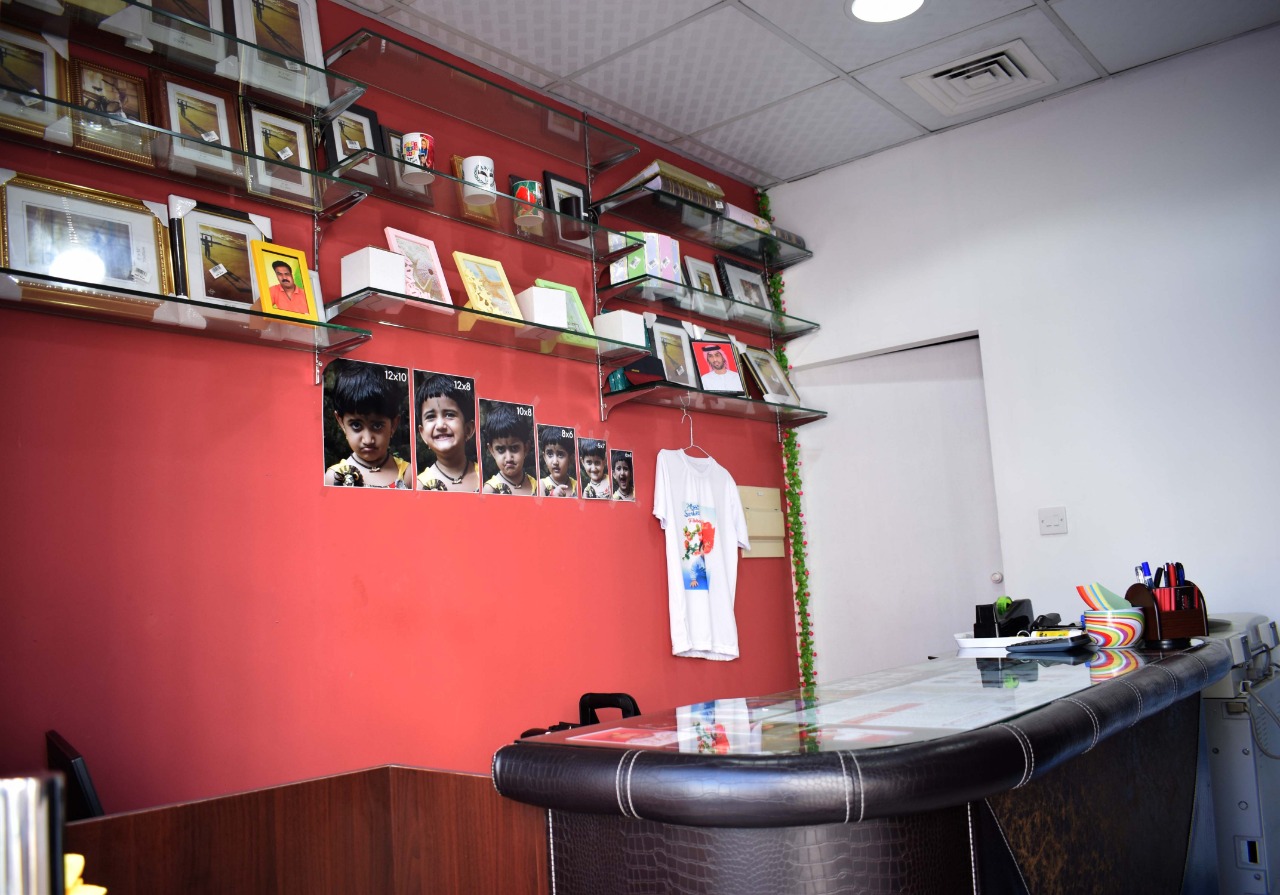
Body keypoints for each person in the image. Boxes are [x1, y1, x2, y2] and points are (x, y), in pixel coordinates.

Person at [325, 360, 413, 489]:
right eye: (356, 425)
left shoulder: (408, 475)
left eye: (377, 426)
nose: (367, 440)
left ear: (394, 424)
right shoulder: (335, 478)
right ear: (341, 422)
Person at [415, 373, 479, 492]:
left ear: (468, 429)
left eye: (449, 414)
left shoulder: (485, 478)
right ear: (423, 434)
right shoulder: (420, 486)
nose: (440, 425)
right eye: (430, 417)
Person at [481, 403, 535, 495]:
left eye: (514, 448)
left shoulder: (537, 486)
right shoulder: (490, 490)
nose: (509, 458)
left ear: (526, 448)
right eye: (500, 449)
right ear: (492, 451)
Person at [538, 426, 576, 498]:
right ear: (544, 457)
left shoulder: (577, 487)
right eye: (550, 454)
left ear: (570, 458)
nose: (555, 462)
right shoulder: (541, 485)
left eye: (560, 455)